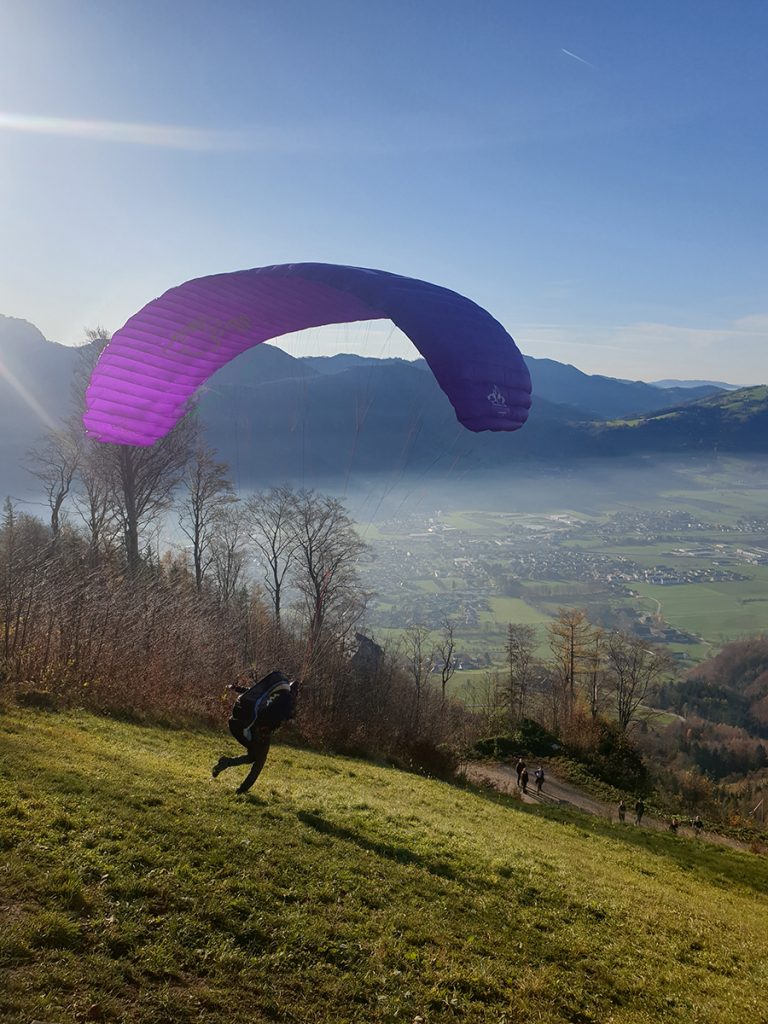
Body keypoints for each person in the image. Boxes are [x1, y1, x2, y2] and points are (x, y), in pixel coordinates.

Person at [212, 670, 298, 794]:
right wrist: (293, 710)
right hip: (263, 733)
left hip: (254, 728)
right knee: (258, 763)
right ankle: (241, 790)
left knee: (252, 757)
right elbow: (289, 716)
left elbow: (253, 692)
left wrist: (236, 688)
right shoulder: (288, 700)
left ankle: (225, 763)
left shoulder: (273, 694)